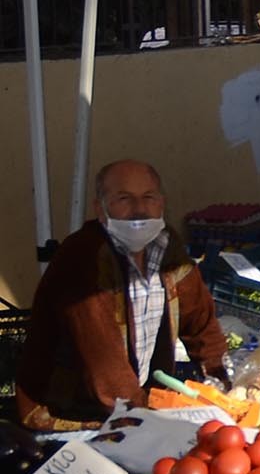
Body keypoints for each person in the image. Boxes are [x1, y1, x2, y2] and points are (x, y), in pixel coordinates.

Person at [17, 160, 228, 431]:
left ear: (161, 203)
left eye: (148, 197)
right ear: (100, 209)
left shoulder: (168, 247)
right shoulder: (83, 256)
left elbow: (202, 325)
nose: (139, 209)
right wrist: (147, 419)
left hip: (133, 403)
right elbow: (105, 365)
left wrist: (224, 387)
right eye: (124, 199)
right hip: (71, 412)